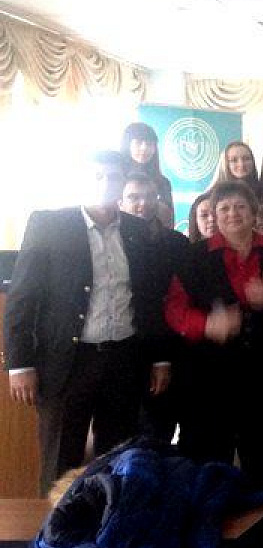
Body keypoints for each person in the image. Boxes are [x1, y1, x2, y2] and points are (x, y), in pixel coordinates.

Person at [5, 151, 172, 495]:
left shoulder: (138, 230)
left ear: (122, 182)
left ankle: (108, 523)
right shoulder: (49, 225)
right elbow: (22, 299)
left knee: (118, 462)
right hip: (68, 363)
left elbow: (149, 298)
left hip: (124, 360)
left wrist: (159, 358)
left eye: (113, 177)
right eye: (96, 177)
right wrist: (20, 364)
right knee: (60, 462)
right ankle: (56, 527)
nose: (104, 184)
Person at [164, 181, 263, 490]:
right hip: (209, 380)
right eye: (224, 208)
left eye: (240, 207)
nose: (232, 214)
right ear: (214, 214)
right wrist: (208, 324)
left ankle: (258, 519)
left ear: (253, 212)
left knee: (260, 460)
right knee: (209, 463)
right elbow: (174, 309)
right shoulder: (194, 256)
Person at [118, 173, 189, 442]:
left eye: (150, 197)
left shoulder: (176, 243)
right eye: (134, 197)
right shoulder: (110, 243)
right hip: (119, 355)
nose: (143, 204)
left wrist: (162, 358)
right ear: (120, 202)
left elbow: (175, 302)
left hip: (165, 351)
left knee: (158, 434)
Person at [120, 122, 174, 224]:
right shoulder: (116, 179)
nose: (144, 148)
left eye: (149, 144)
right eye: (138, 142)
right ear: (127, 145)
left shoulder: (163, 183)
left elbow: (168, 221)